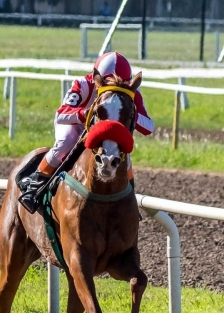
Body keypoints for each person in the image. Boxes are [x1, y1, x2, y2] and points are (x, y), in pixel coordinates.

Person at [18, 51, 154, 213]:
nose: (117, 88)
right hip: (76, 124)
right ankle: (35, 184)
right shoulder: (83, 84)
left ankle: (130, 201)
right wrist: (87, 113)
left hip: (107, 131)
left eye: (121, 84)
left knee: (125, 157)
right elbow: (61, 114)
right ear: (98, 79)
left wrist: (126, 112)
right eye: (110, 82)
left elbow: (149, 127)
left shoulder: (131, 93)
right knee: (66, 142)